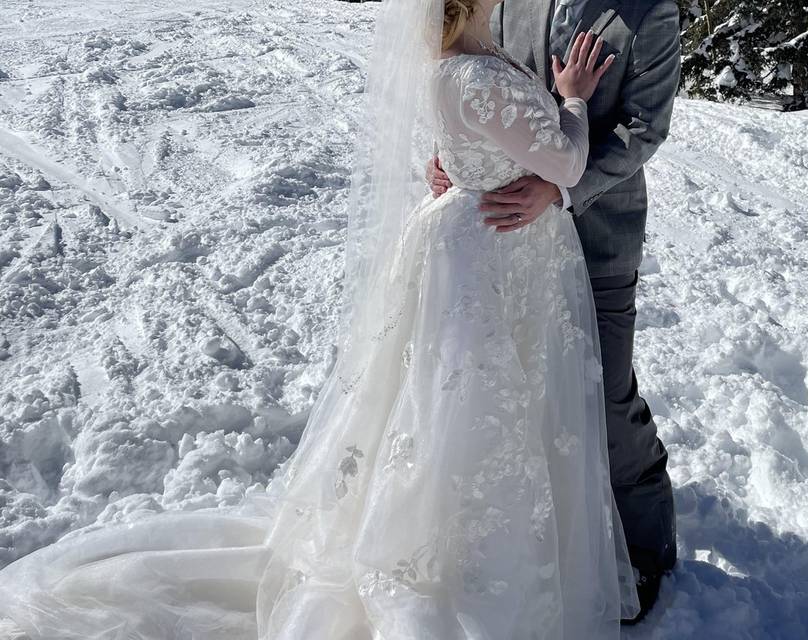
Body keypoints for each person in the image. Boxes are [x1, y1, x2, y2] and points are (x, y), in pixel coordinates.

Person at [0, 0, 645, 637]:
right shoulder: (471, 70)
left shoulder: (453, 65)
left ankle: (465, 543)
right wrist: (573, 100)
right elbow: (562, 163)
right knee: (477, 404)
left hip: (486, 243)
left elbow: (478, 140)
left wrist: (468, 160)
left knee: (461, 405)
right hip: (494, 250)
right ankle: (471, 564)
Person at [430, 0, 682, 621]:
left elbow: (641, 128)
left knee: (608, 397)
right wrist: (455, 162)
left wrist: (562, 187)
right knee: (530, 394)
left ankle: (647, 547)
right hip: (515, 246)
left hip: (599, 236)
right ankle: (563, 544)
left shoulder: (650, 12)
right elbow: (484, 86)